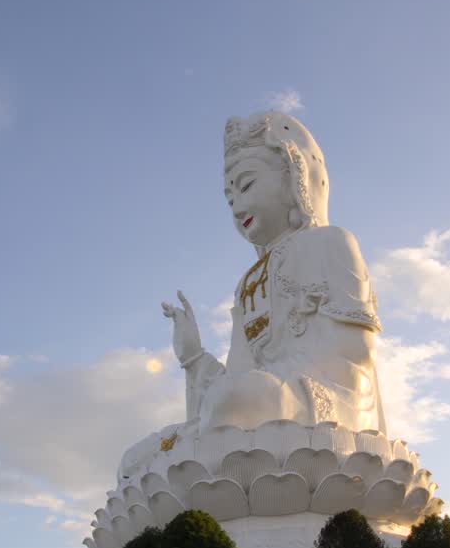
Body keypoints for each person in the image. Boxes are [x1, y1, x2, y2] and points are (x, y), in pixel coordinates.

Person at [163, 113, 385, 436]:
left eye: (247, 186)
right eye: (230, 200)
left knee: (232, 402)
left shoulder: (332, 242)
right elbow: (239, 372)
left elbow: (355, 356)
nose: (238, 208)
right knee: (142, 455)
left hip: (325, 403)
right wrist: (193, 356)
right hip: (262, 400)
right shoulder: (246, 285)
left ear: (294, 176)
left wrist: (279, 386)